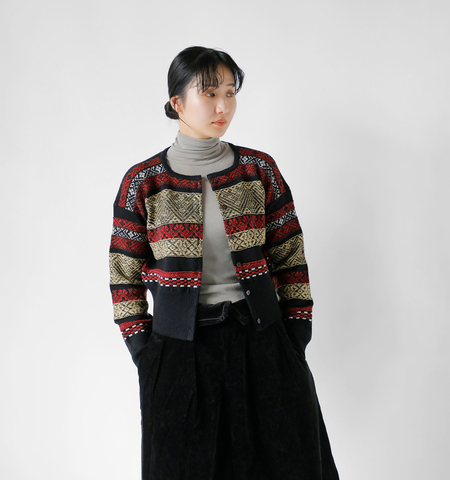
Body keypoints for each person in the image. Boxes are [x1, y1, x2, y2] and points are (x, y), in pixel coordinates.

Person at [109, 46, 339, 480]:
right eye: (210, 93)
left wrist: (295, 336)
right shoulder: (144, 182)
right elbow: (124, 275)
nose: (223, 106)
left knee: (287, 465)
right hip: (179, 356)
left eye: (230, 93)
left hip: (264, 343)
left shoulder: (258, 170)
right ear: (177, 103)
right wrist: (146, 353)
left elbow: (290, 256)